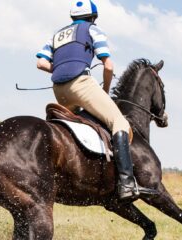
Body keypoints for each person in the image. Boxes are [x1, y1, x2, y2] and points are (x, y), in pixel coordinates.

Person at [36, 0, 152, 200]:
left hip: (59, 90)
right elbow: (108, 66)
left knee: (78, 123)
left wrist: (62, 68)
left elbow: (40, 63)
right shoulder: (93, 30)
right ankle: (126, 182)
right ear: (93, 18)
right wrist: (105, 90)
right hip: (81, 84)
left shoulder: (57, 35)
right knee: (119, 122)